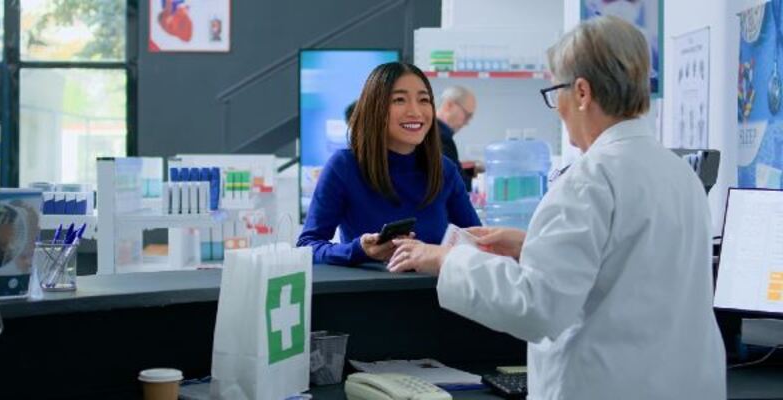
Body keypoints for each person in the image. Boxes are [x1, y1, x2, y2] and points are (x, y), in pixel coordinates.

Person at [388, 16, 725, 399]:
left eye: (556, 92)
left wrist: (448, 259)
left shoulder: (589, 180)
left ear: (581, 92)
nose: (557, 108)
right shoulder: (679, 174)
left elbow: (536, 306)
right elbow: (633, 266)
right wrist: (532, 243)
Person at [297, 62, 480, 266]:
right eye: (399, 100)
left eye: (423, 100)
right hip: (367, 294)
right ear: (375, 107)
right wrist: (358, 250)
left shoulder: (444, 169)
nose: (416, 111)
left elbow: (478, 241)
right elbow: (308, 246)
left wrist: (438, 254)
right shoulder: (344, 166)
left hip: (437, 295)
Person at [436, 86, 479, 191]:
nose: (467, 122)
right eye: (467, 115)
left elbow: (452, 170)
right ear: (449, 105)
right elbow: (457, 184)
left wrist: (472, 170)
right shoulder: (440, 138)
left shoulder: (436, 132)